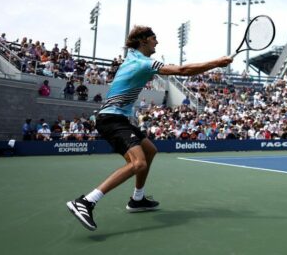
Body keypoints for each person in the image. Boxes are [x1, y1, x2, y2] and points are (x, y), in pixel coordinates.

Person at [66, 25, 232, 231]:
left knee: (150, 150)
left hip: (121, 119)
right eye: (154, 38)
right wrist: (218, 63)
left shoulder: (135, 58)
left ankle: (137, 199)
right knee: (138, 163)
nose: (157, 42)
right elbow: (182, 71)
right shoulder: (141, 62)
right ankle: (86, 202)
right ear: (143, 41)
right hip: (111, 119)